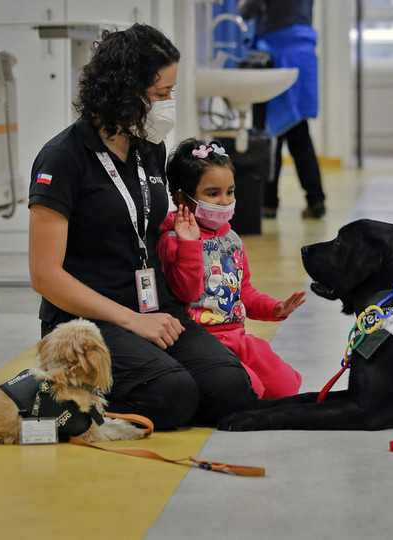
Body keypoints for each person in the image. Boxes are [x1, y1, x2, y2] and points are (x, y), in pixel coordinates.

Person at [27, 24, 257, 430]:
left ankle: (145, 375)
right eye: (160, 93)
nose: (167, 103)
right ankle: (54, 390)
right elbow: (45, 276)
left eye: (171, 91)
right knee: (172, 396)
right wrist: (132, 321)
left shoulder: (149, 147)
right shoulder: (62, 158)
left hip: (155, 310)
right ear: (124, 91)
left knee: (231, 389)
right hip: (87, 323)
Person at [157, 137, 305, 399]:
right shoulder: (173, 240)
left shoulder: (231, 238)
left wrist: (274, 308)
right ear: (183, 197)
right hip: (202, 341)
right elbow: (187, 293)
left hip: (238, 335)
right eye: (213, 194)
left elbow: (243, 290)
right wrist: (190, 245)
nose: (225, 201)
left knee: (286, 385)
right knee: (250, 389)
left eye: (230, 191)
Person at [238, 0, 326, 219]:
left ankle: (268, 203)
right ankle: (315, 200)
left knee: (268, 132)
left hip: (277, 53)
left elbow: (247, 11)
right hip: (304, 54)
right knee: (299, 132)